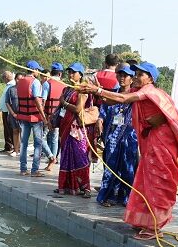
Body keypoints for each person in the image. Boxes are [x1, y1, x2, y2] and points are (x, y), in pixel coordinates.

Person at [82, 61, 178, 238]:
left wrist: (96, 90)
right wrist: (92, 91)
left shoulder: (149, 91)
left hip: (162, 141)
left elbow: (123, 99)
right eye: (134, 74)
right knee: (146, 180)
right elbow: (114, 99)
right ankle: (144, 220)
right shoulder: (139, 91)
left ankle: (155, 225)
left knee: (159, 180)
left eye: (139, 75)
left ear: (150, 78)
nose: (135, 77)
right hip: (151, 138)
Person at [96, 64, 139, 207]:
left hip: (129, 137)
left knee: (128, 167)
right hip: (112, 137)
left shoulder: (135, 96)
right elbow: (104, 108)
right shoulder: (111, 93)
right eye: (119, 75)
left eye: (125, 75)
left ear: (131, 79)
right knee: (110, 167)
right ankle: (107, 196)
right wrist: (100, 120)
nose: (122, 78)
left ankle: (126, 197)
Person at [55, 62, 94, 195]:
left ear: (80, 74)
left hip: (77, 128)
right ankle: (67, 185)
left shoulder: (83, 90)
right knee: (66, 155)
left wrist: (64, 103)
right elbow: (60, 107)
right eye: (69, 72)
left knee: (80, 155)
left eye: (74, 72)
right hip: (65, 126)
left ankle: (85, 186)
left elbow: (78, 109)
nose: (71, 74)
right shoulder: (67, 89)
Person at [16, 60, 48, 176]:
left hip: (23, 116)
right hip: (34, 117)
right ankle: (35, 170)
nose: (38, 72)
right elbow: (37, 101)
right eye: (38, 70)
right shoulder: (35, 82)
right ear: (34, 70)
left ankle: (23, 169)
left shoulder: (20, 82)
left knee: (24, 143)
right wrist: (44, 117)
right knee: (38, 143)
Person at [43, 62, 65, 164]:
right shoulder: (65, 86)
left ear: (51, 72)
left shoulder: (47, 84)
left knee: (42, 138)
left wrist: (44, 117)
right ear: (60, 74)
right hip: (59, 116)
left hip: (48, 115)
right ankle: (53, 158)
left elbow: (43, 101)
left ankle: (51, 157)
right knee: (55, 138)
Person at [0, 71, 16, 153]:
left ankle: (13, 146)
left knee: (10, 129)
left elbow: (11, 99)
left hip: (9, 110)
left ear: (6, 77)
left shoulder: (12, 85)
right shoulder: (8, 85)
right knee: (7, 128)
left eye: (3, 78)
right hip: (5, 110)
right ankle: (8, 146)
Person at [6, 72, 24, 156]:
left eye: (21, 79)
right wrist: (12, 113)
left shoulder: (25, 89)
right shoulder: (11, 89)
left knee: (22, 132)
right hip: (13, 114)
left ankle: (21, 150)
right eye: (17, 79)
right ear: (15, 79)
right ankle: (15, 150)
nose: (19, 81)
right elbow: (7, 102)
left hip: (23, 114)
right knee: (15, 131)